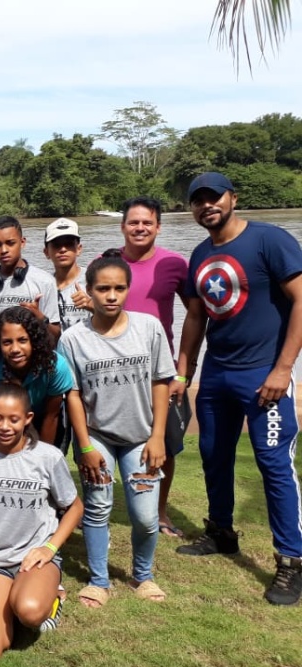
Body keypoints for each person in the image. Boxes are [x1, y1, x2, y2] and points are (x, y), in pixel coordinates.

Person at [174, 172, 302, 606]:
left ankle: (291, 560)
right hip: (217, 374)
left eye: (214, 197)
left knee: (274, 464)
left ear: (233, 198)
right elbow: (195, 317)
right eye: (198, 200)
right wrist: (184, 372)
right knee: (213, 455)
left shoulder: (270, 241)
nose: (207, 206)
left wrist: (284, 369)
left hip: (264, 375)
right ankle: (222, 532)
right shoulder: (200, 253)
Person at [59, 254, 175, 609]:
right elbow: (73, 396)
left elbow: (160, 382)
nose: (111, 296)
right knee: (98, 506)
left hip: (141, 436)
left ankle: (143, 574)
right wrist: (84, 446)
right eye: (103, 288)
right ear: (89, 291)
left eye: (119, 288)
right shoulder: (73, 339)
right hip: (97, 437)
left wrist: (158, 437)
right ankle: (98, 580)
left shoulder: (149, 327)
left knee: (144, 515)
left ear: (129, 289)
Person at [0, 383, 83, 659]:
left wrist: (49, 549)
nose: (5, 426)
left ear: (27, 419)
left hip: (34, 560)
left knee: (28, 610)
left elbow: (75, 508)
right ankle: (9, 599)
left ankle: (53, 595)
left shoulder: (48, 457)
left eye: (14, 419)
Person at [112, 197, 194, 539]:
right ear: (123, 227)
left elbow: (197, 314)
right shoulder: (108, 262)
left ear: (158, 226)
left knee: (167, 443)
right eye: (134, 222)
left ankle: (160, 512)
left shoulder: (174, 264)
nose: (140, 228)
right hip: (116, 372)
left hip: (162, 370)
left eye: (147, 222)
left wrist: (182, 372)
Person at [0, 306, 74, 446]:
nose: (15, 349)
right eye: (7, 342)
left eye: (22, 340)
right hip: (6, 420)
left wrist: (42, 458)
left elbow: (52, 416)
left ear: (34, 340)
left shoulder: (55, 366)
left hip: (43, 418)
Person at [0, 215, 61, 342]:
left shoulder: (45, 281)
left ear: (22, 242)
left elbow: (56, 335)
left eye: (10, 243)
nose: (4, 250)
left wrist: (39, 317)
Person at [42, 218, 92, 332]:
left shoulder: (94, 281)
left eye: (69, 244)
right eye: (56, 245)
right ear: (46, 252)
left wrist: (92, 305)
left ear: (79, 249)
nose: (63, 249)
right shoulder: (43, 286)